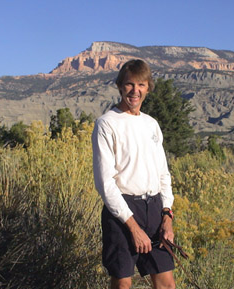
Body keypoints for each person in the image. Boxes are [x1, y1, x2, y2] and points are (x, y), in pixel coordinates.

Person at [92, 59, 176, 289]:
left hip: (155, 209)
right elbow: (105, 183)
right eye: (129, 84)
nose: (135, 91)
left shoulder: (151, 124)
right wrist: (133, 227)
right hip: (122, 212)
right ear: (120, 86)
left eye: (141, 85)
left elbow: (163, 174)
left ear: (148, 87)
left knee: (166, 283)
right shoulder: (106, 124)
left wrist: (167, 216)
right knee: (122, 284)